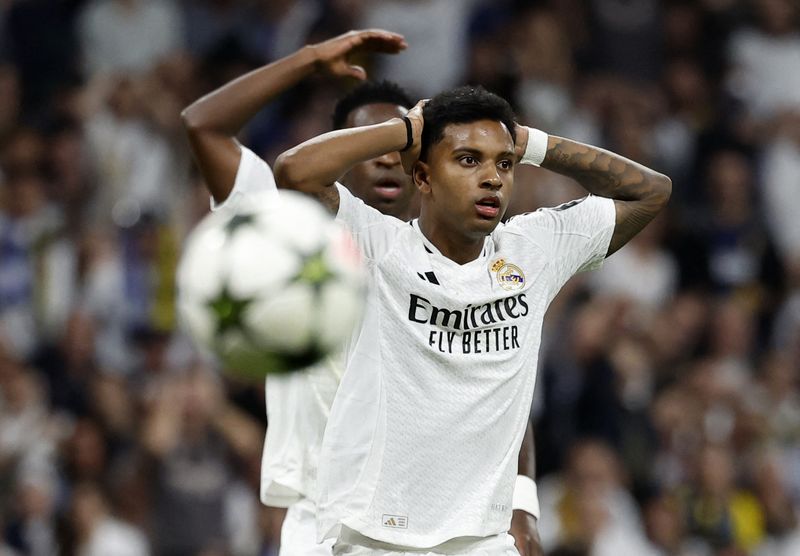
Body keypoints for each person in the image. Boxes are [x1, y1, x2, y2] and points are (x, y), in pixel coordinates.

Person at [181, 30, 543, 555]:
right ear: (340, 152)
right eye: (373, 141)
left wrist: (522, 503)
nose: (387, 157)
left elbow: (503, 388)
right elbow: (203, 125)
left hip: (442, 525)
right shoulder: (284, 222)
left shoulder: (468, 254)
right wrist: (308, 61)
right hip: (323, 520)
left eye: (403, 144)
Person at [274, 84, 671, 554]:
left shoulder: (534, 249)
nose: (493, 178)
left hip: (482, 541)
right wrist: (406, 129)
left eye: (503, 164)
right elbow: (292, 172)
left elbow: (651, 192)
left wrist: (531, 144)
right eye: (468, 160)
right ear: (421, 177)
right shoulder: (377, 246)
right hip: (374, 538)